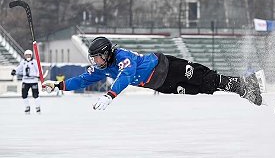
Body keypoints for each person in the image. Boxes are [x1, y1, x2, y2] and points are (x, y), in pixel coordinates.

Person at [42, 36, 263, 110]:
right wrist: (58, 85)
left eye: (97, 57)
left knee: (205, 78)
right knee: (201, 89)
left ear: (107, 53)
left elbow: (126, 76)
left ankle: (245, 85)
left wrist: (110, 95)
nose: (95, 62)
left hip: (167, 67)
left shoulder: (122, 57)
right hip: (160, 85)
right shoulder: (104, 67)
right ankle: (243, 89)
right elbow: (84, 78)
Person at [11, 49, 41, 114]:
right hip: (25, 81)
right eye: (26, 55)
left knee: (35, 95)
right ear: (24, 56)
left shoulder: (34, 62)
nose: (28, 56)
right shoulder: (23, 62)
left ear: (31, 55)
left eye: (29, 55)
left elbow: (39, 69)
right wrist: (14, 71)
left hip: (33, 81)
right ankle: (27, 107)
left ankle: (38, 107)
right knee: (24, 95)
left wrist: (38, 75)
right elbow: (19, 68)